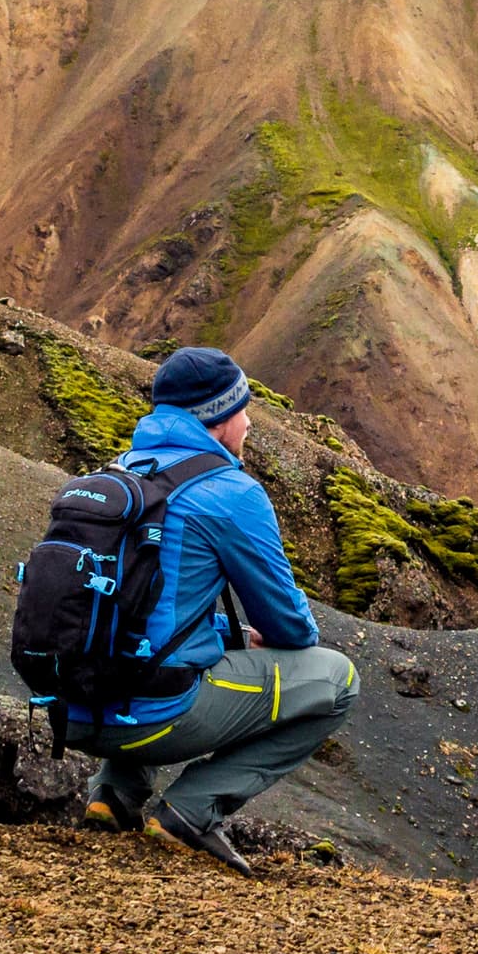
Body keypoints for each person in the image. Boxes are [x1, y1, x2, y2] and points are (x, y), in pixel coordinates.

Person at [54, 346, 358, 874]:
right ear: (219, 420)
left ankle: (112, 793)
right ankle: (191, 811)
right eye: (243, 411)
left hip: (74, 710)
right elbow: (288, 624)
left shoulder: (115, 477)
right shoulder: (229, 492)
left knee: (141, 649)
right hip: (156, 719)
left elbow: (133, 610)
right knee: (337, 680)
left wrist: (225, 630)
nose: (248, 424)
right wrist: (265, 634)